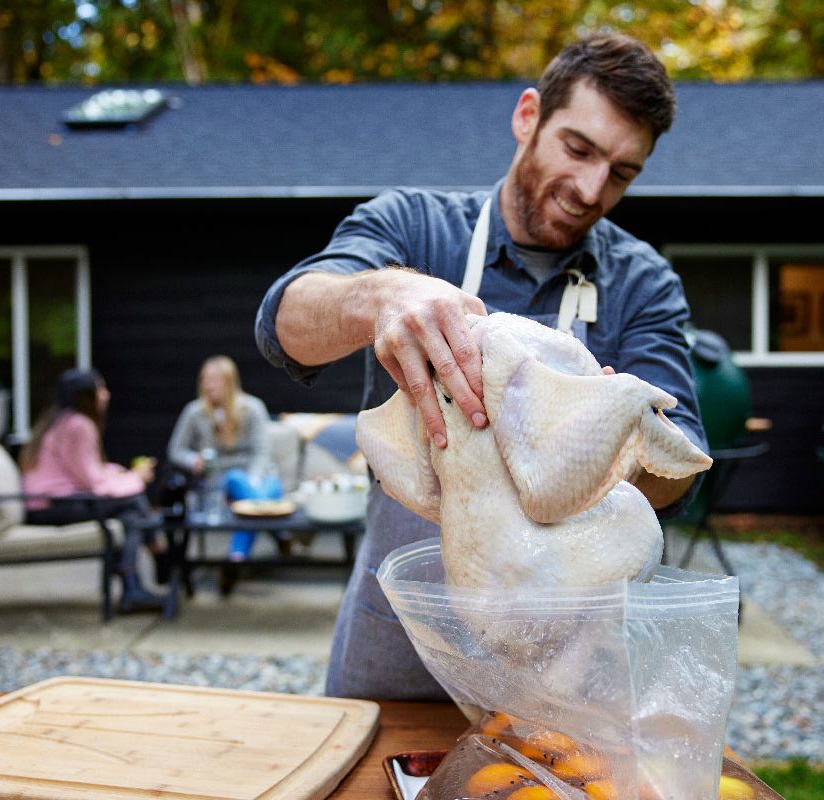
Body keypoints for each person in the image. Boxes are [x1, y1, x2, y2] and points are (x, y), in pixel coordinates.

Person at [255, 32, 708, 699]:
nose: (590, 189)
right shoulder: (415, 226)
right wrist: (381, 295)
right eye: (578, 149)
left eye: (620, 172)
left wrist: (608, 432)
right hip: (405, 628)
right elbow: (284, 324)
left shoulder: (642, 282)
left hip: (567, 653)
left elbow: (682, 470)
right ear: (529, 116)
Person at [20, 368, 169, 614]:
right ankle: (157, 557)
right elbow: (93, 484)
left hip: (49, 502)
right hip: (52, 506)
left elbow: (85, 471)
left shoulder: (61, 421)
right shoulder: (78, 425)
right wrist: (136, 478)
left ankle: (134, 586)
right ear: (85, 396)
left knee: (130, 514)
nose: (106, 395)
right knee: (132, 501)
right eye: (100, 389)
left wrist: (121, 474)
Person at [167, 356, 282, 589]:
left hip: (258, 481)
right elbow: (176, 450)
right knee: (235, 480)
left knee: (258, 489)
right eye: (205, 380)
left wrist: (252, 482)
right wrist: (192, 460)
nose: (208, 385)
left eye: (214, 380)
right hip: (219, 481)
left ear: (229, 381)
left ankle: (236, 558)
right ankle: (278, 533)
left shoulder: (252, 408)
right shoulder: (194, 412)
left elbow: (262, 452)